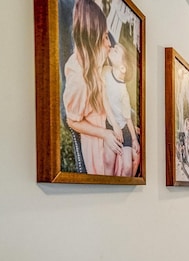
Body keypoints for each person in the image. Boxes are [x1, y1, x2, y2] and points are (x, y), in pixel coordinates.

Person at [63, 0, 122, 175]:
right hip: (97, 142)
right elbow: (72, 120)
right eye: (104, 37)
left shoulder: (95, 65)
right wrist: (104, 134)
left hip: (105, 126)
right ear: (93, 39)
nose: (109, 43)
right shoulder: (79, 78)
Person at [103, 42, 140, 176]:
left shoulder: (123, 91)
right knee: (108, 160)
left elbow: (127, 118)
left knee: (128, 167)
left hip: (124, 128)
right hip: (110, 124)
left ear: (123, 68)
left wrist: (134, 139)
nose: (112, 49)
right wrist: (114, 125)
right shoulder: (105, 71)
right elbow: (104, 99)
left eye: (116, 51)